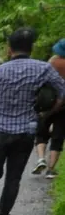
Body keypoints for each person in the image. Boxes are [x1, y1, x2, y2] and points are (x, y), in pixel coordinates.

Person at [0, 27, 65, 215]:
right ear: (31, 48)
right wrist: (50, 111)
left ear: (9, 49)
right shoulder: (43, 69)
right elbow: (62, 92)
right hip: (25, 132)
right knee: (13, 177)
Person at [31, 38, 65, 179]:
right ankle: (51, 169)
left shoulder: (52, 63)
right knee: (58, 136)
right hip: (63, 106)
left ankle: (40, 159)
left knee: (42, 132)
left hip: (47, 103)